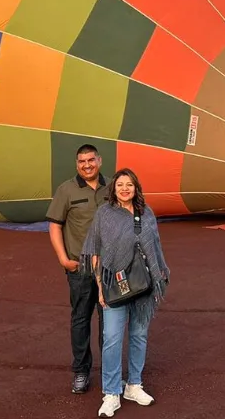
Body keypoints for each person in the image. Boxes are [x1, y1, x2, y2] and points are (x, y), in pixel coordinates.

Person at [79, 168, 170, 418]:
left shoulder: (146, 212)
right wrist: (100, 286)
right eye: (120, 184)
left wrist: (159, 273)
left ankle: (134, 385)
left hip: (143, 286)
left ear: (136, 187)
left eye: (129, 184)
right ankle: (111, 393)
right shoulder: (105, 214)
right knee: (111, 339)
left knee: (139, 336)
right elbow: (95, 251)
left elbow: (155, 246)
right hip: (113, 286)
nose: (125, 189)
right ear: (114, 188)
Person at [45, 144, 109, 394]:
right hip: (79, 267)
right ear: (77, 164)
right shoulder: (66, 190)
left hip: (108, 268)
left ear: (99, 161)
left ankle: (110, 373)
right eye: (81, 161)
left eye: (91, 160)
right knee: (81, 319)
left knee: (109, 321)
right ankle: (81, 371)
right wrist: (62, 258)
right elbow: (54, 225)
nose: (86, 165)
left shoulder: (113, 187)